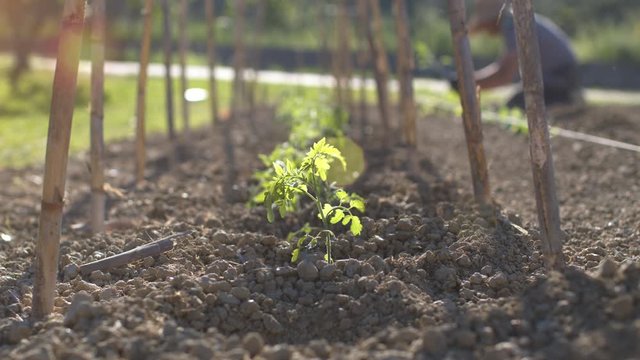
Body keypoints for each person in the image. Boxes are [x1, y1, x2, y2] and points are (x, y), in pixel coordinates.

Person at [455, 0, 582, 109]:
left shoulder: (514, 26)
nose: (486, 31)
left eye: (485, 26)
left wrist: (467, 84)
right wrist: (470, 81)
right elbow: (504, 67)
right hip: (559, 77)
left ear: (493, 20)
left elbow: (504, 74)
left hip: (558, 80)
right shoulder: (515, 22)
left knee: (517, 105)